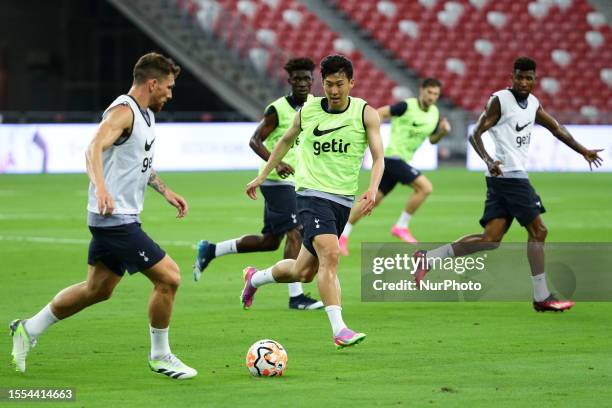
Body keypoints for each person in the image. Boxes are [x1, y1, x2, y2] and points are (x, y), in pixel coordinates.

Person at [10, 52, 197, 379]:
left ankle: (27, 328)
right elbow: (93, 147)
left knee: (97, 289)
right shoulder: (124, 111)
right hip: (114, 219)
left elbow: (138, 162)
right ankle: (161, 355)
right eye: (168, 86)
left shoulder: (147, 115)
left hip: (122, 216)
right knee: (169, 278)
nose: (170, 92)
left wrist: (164, 191)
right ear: (152, 83)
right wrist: (100, 188)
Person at [413, 57, 603, 312]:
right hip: (510, 177)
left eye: (529, 78)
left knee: (491, 239)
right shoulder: (500, 100)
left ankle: (428, 259)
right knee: (539, 231)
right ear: (511, 77)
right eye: (520, 77)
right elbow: (474, 133)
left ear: (535, 79)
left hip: (503, 179)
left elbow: (556, 128)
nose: (524, 82)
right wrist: (489, 159)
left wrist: (583, 150)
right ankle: (542, 296)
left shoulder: (533, 103)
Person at [242, 55, 385, 348]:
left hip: (342, 199)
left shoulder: (365, 114)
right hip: (310, 194)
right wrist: (262, 175)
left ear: (351, 83)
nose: (333, 91)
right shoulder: (308, 111)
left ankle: (255, 278)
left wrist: (372, 188)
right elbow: (283, 141)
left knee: (302, 271)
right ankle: (339, 329)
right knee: (331, 254)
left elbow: (379, 157)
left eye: (340, 84)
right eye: (329, 84)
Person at [193, 58, 322, 310]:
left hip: (299, 182)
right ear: (289, 81)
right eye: (297, 78)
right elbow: (254, 140)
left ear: (312, 80)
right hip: (276, 182)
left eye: (307, 78)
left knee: (269, 241)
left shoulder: (315, 108)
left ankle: (211, 250)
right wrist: (276, 163)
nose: (303, 83)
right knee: (296, 231)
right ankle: (296, 297)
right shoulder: (278, 109)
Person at [339, 78, 451, 255]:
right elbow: (378, 113)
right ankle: (401, 226)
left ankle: (342, 235)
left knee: (372, 200)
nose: (432, 97)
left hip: (401, 160)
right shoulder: (406, 106)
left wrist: (443, 132)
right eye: (429, 92)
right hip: (392, 157)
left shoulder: (435, 114)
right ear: (421, 90)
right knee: (425, 188)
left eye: (436, 94)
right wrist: (373, 134)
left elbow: (432, 140)